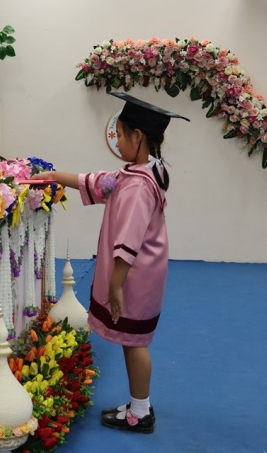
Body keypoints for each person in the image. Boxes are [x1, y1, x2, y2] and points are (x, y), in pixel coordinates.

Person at [32, 92, 189, 434]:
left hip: (134, 275)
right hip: (142, 271)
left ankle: (141, 412)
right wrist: (55, 176)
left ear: (138, 136)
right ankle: (138, 404)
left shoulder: (138, 187)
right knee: (133, 340)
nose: (116, 142)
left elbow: (130, 238)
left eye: (119, 134)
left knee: (135, 342)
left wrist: (115, 284)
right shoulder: (142, 172)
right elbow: (98, 181)